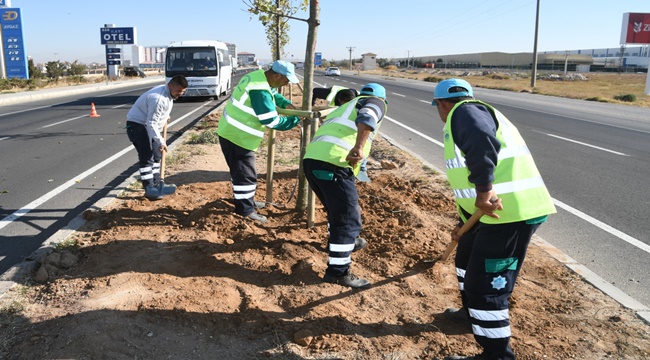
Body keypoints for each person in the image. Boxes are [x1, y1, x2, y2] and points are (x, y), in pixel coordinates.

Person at [431, 79, 556, 360]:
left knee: (485, 287)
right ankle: (471, 314)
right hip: (486, 216)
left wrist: (484, 190)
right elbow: (465, 182)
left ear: (440, 104)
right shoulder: (468, 112)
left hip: (508, 214)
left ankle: (496, 353)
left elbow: (481, 142)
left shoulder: (464, 111)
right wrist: (463, 223)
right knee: (464, 261)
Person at [303, 83, 388, 288]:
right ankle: (338, 272)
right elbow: (367, 118)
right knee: (348, 219)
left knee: (337, 211)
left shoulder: (347, 105)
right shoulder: (376, 102)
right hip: (334, 163)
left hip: (312, 160)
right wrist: (358, 148)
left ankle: (345, 242)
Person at [217, 60, 301, 223]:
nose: (287, 83)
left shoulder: (257, 77)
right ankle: (245, 210)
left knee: (240, 173)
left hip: (231, 131)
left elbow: (272, 93)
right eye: (286, 79)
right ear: (277, 75)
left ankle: (246, 201)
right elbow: (270, 120)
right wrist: (296, 120)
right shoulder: (259, 89)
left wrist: (285, 103)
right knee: (245, 175)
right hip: (238, 136)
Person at [126, 75, 188, 201]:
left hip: (149, 126)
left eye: (182, 92)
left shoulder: (168, 94)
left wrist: (165, 116)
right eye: (178, 91)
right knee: (147, 157)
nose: (180, 94)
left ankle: (156, 184)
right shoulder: (158, 98)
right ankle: (149, 188)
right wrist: (161, 141)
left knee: (157, 155)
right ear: (170, 85)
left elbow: (158, 113)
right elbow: (151, 123)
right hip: (138, 125)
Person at [311, 86, 371, 183]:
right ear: (340, 100)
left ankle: (361, 169)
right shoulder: (329, 95)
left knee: (359, 143)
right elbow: (314, 91)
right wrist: (312, 104)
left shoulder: (360, 102)